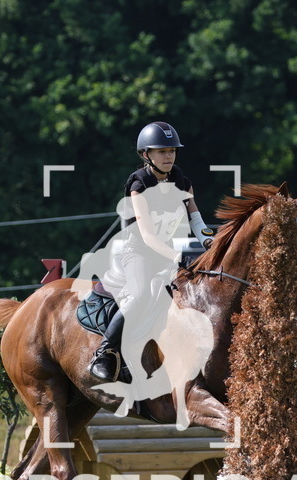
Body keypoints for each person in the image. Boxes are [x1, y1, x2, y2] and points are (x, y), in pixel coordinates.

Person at [88, 121, 209, 382]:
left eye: (172, 151)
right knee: (142, 294)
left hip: (169, 253)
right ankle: (105, 352)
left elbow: (196, 219)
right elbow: (148, 236)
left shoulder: (182, 180)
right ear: (146, 155)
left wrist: (209, 241)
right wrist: (177, 257)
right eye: (161, 151)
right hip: (138, 253)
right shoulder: (139, 184)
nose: (168, 156)